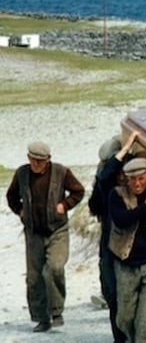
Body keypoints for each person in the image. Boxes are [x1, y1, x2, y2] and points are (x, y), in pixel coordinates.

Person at [6, 141, 86, 333]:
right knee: (34, 278)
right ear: (28, 158)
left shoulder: (61, 172)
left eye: (40, 161)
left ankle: (56, 311)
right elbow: (11, 197)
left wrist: (65, 205)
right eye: (33, 160)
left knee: (54, 268)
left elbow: (79, 191)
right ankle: (41, 318)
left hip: (57, 230)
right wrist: (20, 210)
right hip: (33, 233)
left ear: (48, 160)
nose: (36, 164)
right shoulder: (21, 173)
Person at [108, 157, 146, 343]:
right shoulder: (117, 195)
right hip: (126, 264)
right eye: (132, 179)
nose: (137, 183)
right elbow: (121, 219)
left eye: (141, 178)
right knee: (124, 317)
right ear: (126, 178)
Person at [88, 132, 138, 342]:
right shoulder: (105, 180)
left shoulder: (136, 179)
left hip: (133, 244)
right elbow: (105, 178)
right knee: (112, 293)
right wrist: (125, 149)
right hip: (110, 243)